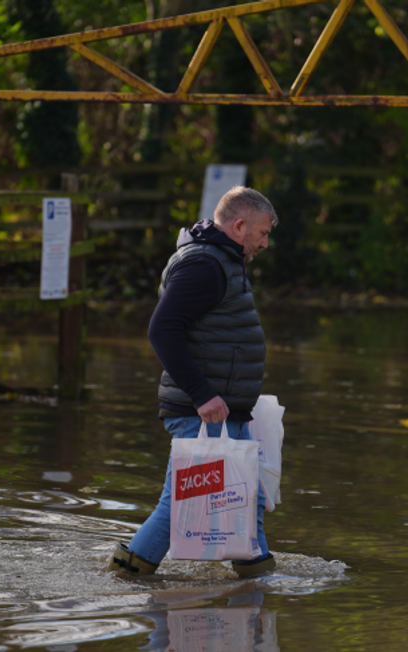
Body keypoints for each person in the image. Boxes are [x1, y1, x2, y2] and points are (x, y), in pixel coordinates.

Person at [107, 186, 278, 578]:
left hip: (223, 410)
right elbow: (161, 329)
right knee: (178, 506)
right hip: (203, 412)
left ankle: (261, 585)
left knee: (247, 501)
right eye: (263, 233)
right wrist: (202, 395)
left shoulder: (222, 260)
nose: (265, 243)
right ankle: (124, 576)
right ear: (239, 225)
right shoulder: (206, 265)